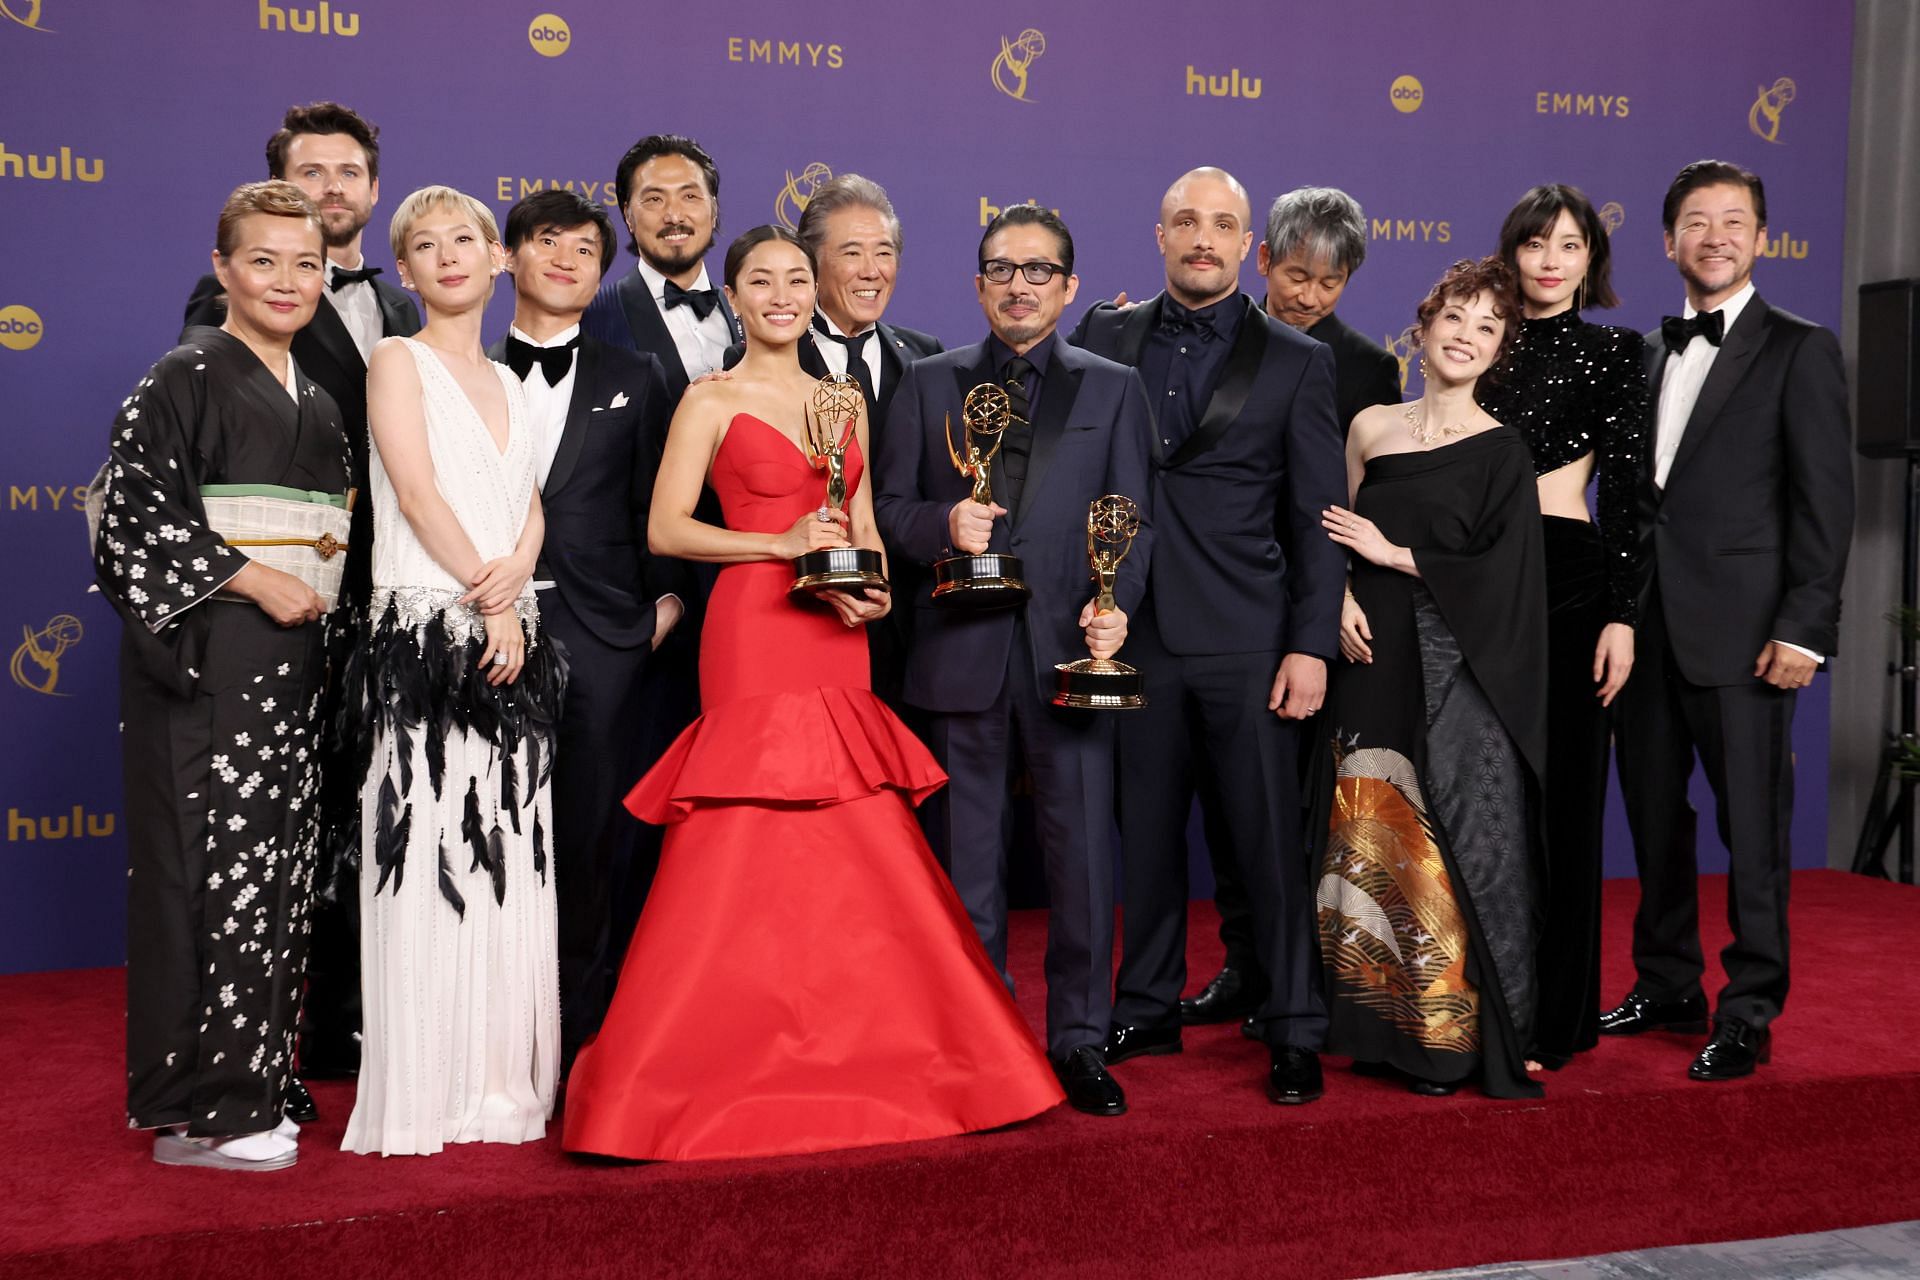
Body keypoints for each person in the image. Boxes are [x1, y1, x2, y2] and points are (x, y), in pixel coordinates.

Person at [563, 226, 1061, 1161]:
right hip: (751, 631)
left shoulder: (845, 402)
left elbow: (863, 524)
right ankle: (701, 1059)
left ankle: (872, 1046)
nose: (783, 294)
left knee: (850, 826)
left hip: (836, 634)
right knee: (747, 830)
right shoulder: (710, 400)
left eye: (798, 278)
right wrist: (778, 545)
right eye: (762, 280)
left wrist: (868, 585)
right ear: (737, 300)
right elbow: (669, 530)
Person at [1067, 167, 1344, 1105]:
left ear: (1249, 250)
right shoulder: (1104, 333)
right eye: (1186, 219)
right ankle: (1144, 1004)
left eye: (1222, 225)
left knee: (1269, 843)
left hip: (1249, 636)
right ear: (1158, 233)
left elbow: (1315, 515)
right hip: (1129, 630)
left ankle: (1296, 1024)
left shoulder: (1299, 360)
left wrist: (1310, 643)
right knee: (1141, 838)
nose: (1203, 238)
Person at [875, 205, 1156, 1117]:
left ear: (1069, 288)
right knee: (969, 869)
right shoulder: (926, 383)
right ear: (977, 283)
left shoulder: (1114, 388)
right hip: (961, 653)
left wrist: (1117, 612)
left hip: (1071, 656)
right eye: (1002, 268)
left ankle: (1078, 1041)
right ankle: (975, 1039)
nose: (1020, 285)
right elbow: (886, 508)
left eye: (1040, 271)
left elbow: (1134, 521)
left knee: (1080, 864)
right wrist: (939, 525)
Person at [98, 180, 348, 1170]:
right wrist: (254, 576)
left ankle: (231, 1083)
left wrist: (306, 593)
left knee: (270, 875)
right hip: (213, 654)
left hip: (291, 666)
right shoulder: (184, 374)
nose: (287, 281)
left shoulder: (318, 398)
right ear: (222, 269)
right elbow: (130, 518)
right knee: (205, 872)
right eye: (264, 261)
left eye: (306, 264)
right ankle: (211, 1108)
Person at [182, 100, 422, 1088]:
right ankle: (252, 1044)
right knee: (281, 822)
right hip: (289, 598)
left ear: (373, 187)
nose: (333, 188)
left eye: (349, 172)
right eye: (310, 173)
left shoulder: (412, 304)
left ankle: (350, 1025)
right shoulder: (224, 303)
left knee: (373, 811)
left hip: (400, 594)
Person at [1604, 160, 1854, 1081]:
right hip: (1647, 628)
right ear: (1668, 241)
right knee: (1654, 820)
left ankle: (1748, 1008)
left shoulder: (1799, 348)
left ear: (1759, 238)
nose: (1715, 236)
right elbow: (1635, 503)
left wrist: (1805, 629)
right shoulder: (1645, 351)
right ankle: (1666, 980)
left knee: (1753, 830)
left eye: (1734, 220)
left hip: (1751, 636)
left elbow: (1825, 506)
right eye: (1696, 222)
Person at [341, 186, 564, 1156]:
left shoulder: (516, 382)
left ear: (496, 257)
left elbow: (530, 502)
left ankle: (493, 1083)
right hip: (433, 636)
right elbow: (417, 490)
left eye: (463, 239)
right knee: (429, 847)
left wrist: (520, 572)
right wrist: (497, 595)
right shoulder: (396, 360)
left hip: (510, 638)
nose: (446, 255)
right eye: (422, 245)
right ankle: (427, 1087)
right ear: (404, 271)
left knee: (508, 850)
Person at [1318, 255, 1547, 1099]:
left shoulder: (1502, 451)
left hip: (1453, 669)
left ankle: (1446, 1041)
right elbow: (1334, 533)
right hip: (1366, 653)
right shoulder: (1370, 426)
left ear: (1498, 353)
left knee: (1443, 837)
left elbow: (1508, 574)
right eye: (1456, 316)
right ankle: (1376, 1023)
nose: (1467, 335)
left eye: (1488, 327)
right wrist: (1339, 592)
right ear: (1423, 326)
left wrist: (1395, 554)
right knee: (1365, 824)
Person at [1184, 184, 1405, 1032]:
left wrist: (1334, 599)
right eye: (1297, 274)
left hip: (1317, 606)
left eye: (1331, 281)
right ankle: (1245, 963)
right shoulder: (1213, 334)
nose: (1309, 295)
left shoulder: (1365, 366)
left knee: (1301, 809)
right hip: (1227, 600)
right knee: (1233, 806)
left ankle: (1305, 979)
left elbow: (1351, 503)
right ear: (1263, 259)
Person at [486, 189, 682, 1072]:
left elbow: (662, 504)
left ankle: (582, 1040)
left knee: (590, 840)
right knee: (487, 832)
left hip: (603, 637)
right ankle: (489, 1035)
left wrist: (663, 610)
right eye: (547, 242)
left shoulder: (635, 375)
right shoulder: (457, 371)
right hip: (482, 630)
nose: (566, 259)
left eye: (586, 250)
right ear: (509, 257)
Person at [1476, 184, 1649, 1070]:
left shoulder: (1618, 353)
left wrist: (1623, 615)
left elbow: (1624, 494)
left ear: (1592, 262)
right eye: (1535, 243)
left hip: (1572, 584)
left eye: (1569, 245)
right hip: (1473, 585)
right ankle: (1468, 1007)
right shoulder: (1477, 340)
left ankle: (1555, 1019)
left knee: (1567, 803)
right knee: (1476, 800)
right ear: (1511, 254)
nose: (1549, 259)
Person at [722, 173, 945, 709]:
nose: (872, 271)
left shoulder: (928, 356)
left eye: (884, 252)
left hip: (913, 619)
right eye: (851, 252)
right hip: (801, 609)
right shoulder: (750, 365)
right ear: (813, 266)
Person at [584, 134, 742, 396]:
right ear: (628, 216)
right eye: (654, 199)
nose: (674, 216)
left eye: (690, 196)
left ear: (713, 210)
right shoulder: (593, 318)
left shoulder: (750, 312)